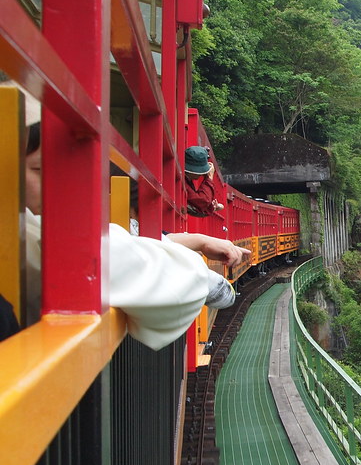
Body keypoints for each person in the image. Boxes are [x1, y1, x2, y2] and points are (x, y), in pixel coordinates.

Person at [11, 86, 250, 350]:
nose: (61, 185)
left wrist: (196, 239)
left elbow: (126, 245)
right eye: (40, 169)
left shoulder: (29, 228)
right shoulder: (41, 235)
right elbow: (123, 258)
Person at [183, 145, 225, 217]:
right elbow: (203, 201)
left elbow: (198, 206)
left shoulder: (186, 179)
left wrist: (211, 206)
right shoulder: (181, 181)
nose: (201, 174)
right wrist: (209, 178)